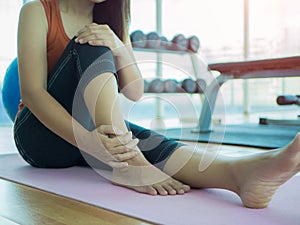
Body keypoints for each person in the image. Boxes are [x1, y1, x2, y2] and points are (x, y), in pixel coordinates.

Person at [14, 0, 300, 209]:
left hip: (93, 135)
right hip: (40, 137)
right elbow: (32, 94)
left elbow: (135, 90)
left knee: (152, 144)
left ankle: (241, 176)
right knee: (92, 42)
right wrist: (89, 142)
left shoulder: (107, 20)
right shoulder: (37, 10)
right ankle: (129, 161)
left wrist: (118, 45)